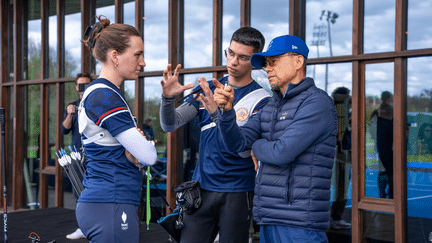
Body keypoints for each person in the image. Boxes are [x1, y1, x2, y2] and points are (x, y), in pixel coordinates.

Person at [213, 35, 337, 243]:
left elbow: (281, 153)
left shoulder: (317, 103)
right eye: (266, 64)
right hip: (269, 220)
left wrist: (257, 146)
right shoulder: (271, 105)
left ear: (298, 62)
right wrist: (226, 113)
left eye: (274, 61)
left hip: (300, 225)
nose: (268, 68)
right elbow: (237, 144)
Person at [160, 27, 270, 243]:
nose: (233, 61)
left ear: (255, 61)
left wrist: (216, 113)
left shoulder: (262, 100)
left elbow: (240, 148)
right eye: (230, 53)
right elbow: (171, 124)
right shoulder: (207, 89)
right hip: (201, 190)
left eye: (242, 57)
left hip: (238, 191)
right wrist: (166, 99)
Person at [76, 16, 157, 242]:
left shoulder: (108, 93)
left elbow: (137, 155)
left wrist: (136, 154)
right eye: (137, 54)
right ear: (115, 56)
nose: (143, 62)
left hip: (111, 203)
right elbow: (148, 155)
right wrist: (140, 151)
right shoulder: (104, 96)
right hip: (109, 203)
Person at [61, 73, 92, 240]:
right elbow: (64, 130)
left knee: (93, 191)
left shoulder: (95, 105)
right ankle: (83, 227)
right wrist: (70, 114)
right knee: (79, 193)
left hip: (94, 155)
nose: (83, 88)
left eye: (87, 85)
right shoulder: (72, 107)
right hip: (76, 156)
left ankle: (96, 226)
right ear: (76, 87)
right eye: (81, 85)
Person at [330, 87, 352, 229]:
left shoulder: (344, 114)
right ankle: (334, 218)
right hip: (339, 156)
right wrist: (341, 151)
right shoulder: (337, 113)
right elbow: (339, 136)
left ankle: (336, 217)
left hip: (344, 154)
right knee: (340, 187)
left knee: (342, 187)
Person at [369, 91, 393, 199]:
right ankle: (388, 194)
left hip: (382, 146)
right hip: (388, 147)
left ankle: (383, 194)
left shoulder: (376, 113)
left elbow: (372, 129)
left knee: (383, 171)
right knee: (389, 172)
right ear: (389, 100)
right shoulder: (393, 113)